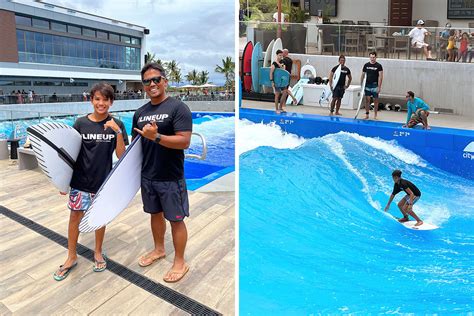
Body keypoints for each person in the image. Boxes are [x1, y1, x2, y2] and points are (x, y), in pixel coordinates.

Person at [53, 83, 128, 281]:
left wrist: (117, 132)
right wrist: (63, 181)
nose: (101, 103)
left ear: (111, 102)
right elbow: (69, 153)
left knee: (98, 218)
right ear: (91, 100)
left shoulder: (117, 125)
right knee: (74, 218)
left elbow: (122, 156)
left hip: (102, 183)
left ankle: (97, 252)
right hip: (79, 182)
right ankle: (71, 256)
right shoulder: (80, 123)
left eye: (105, 99)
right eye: (97, 99)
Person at [132, 63, 192, 283]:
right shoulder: (140, 113)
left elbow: (184, 141)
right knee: (154, 215)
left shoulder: (178, 108)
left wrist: (156, 137)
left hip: (170, 177)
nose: (152, 84)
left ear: (165, 81)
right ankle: (159, 249)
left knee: (176, 220)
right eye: (147, 81)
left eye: (156, 79)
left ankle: (180, 261)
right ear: (144, 86)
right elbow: (135, 148)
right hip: (148, 177)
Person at [360, 52, 383, 119]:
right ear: (369, 57)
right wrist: (362, 85)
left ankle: (375, 115)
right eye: (371, 57)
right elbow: (362, 75)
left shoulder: (379, 66)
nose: (372, 59)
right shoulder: (366, 65)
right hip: (367, 85)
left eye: (373, 57)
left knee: (375, 101)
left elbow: (381, 76)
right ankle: (367, 114)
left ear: (376, 57)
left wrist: (379, 87)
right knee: (367, 100)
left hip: (375, 85)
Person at [270, 49, 288, 114]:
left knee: (285, 92)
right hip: (276, 81)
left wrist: (280, 65)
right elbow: (271, 72)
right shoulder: (274, 63)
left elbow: (284, 70)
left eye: (281, 55)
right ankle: (276, 109)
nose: (280, 57)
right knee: (277, 94)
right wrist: (272, 81)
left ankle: (280, 107)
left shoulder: (282, 62)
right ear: (277, 55)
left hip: (282, 81)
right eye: (279, 55)